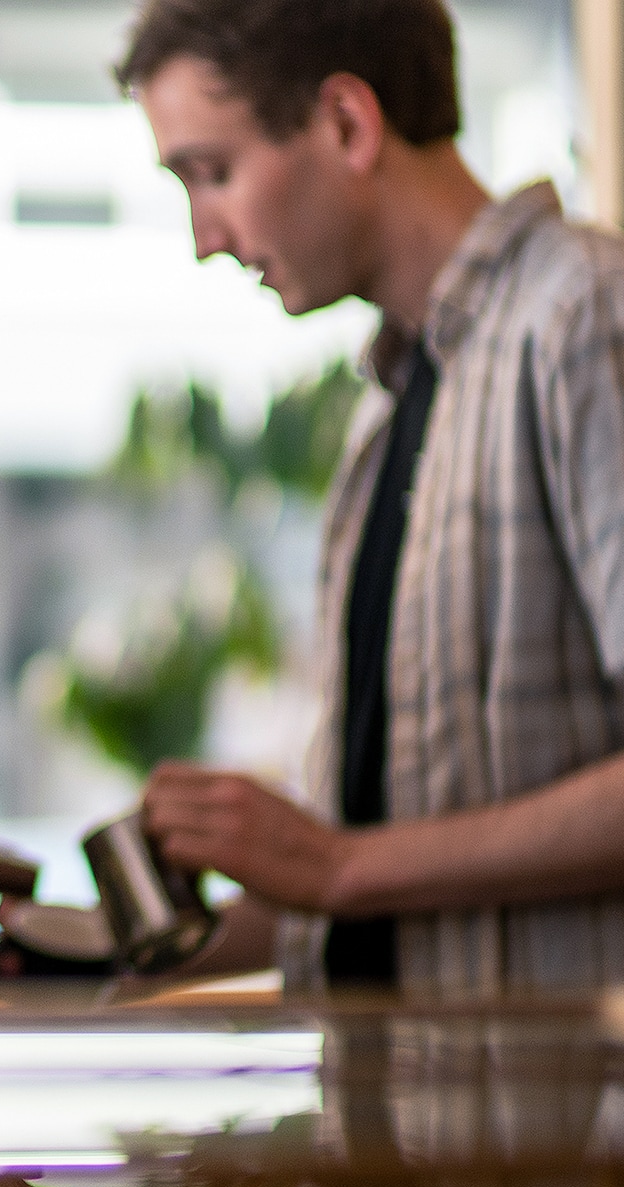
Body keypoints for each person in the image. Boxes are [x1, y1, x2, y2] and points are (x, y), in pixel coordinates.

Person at [116, 0, 624, 1004]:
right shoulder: (387, 418)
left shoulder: (582, 318)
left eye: (212, 172)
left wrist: (338, 863)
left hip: (567, 1151)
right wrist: (142, 944)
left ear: (347, 123)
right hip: (417, 1140)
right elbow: (397, 864)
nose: (204, 238)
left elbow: (358, 866)